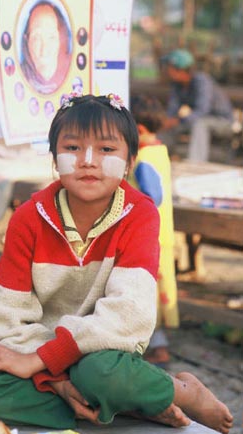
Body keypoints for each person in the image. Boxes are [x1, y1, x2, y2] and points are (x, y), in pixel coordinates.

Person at [0, 94, 233, 434]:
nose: (88, 161)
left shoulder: (140, 215)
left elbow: (127, 314)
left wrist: (39, 363)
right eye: (73, 148)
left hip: (104, 354)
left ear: (130, 161)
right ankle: (124, 404)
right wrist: (54, 378)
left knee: (97, 373)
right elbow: (4, 315)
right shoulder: (28, 217)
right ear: (55, 160)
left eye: (106, 150)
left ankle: (184, 393)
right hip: (40, 350)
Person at [129, 94, 179, 368]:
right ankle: (158, 345)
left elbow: (153, 196)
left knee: (148, 291)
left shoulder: (145, 158)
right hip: (164, 232)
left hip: (150, 236)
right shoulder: (160, 150)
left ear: (138, 130)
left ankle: (156, 347)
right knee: (158, 289)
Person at [158, 49, 234, 162]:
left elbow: (203, 110)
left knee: (200, 123)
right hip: (197, 120)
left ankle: (195, 163)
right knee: (168, 125)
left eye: (170, 67)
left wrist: (177, 120)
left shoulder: (201, 80)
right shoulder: (176, 85)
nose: (167, 71)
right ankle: (159, 156)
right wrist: (167, 121)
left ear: (180, 69)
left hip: (223, 122)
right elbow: (172, 110)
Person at [20, 0, 72, 94]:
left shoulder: (75, 72)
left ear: (62, 39)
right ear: (26, 40)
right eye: (37, 38)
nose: (44, 49)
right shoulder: (16, 75)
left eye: (51, 37)